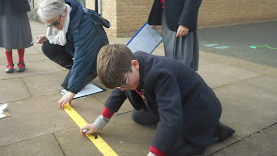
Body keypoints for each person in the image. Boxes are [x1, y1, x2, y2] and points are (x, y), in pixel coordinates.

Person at [81, 44, 235, 156]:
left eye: (123, 83)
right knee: (138, 115)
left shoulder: (160, 74)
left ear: (134, 65)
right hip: (178, 101)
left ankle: (213, 133)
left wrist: (154, 153)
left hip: (199, 110)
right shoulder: (129, 65)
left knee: (174, 151)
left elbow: (171, 118)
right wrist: (98, 124)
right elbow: (118, 93)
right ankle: (177, 133)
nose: (121, 88)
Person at [34, 0, 109, 107]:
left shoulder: (86, 26)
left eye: (55, 23)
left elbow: (82, 59)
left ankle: (91, 72)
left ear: (64, 11)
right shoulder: (68, 15)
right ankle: (76, 71)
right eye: (49, 25)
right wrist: (47, 36)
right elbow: (68, 34)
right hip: (79, 50)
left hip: (94, 59)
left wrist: (72, 91)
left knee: (68, 85)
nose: (53, 28)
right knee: (48, 46)